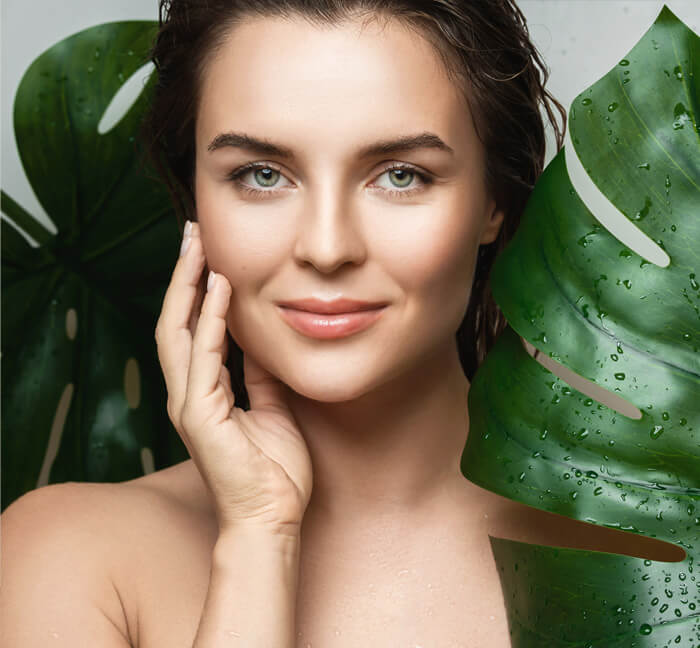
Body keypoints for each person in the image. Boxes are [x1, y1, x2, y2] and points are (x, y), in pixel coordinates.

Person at [0, 1, 684, 646]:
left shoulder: (650, 553)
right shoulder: (68, 558)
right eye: (262, 175)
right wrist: (258, 537)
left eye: (401, 176)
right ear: (195, 203)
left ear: (493, 202)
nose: (327, 248)